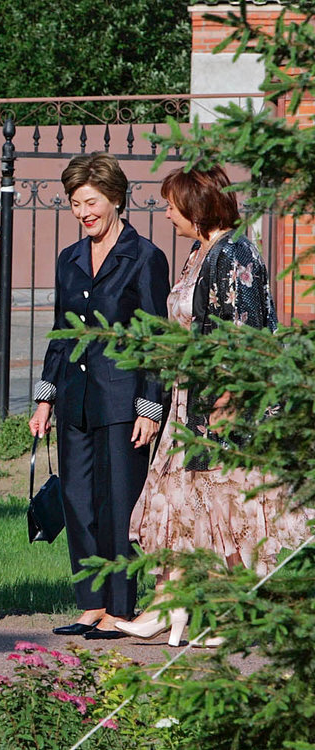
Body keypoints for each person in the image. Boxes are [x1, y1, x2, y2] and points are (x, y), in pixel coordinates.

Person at [115, 166, 315, 646]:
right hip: (188, 400)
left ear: (197, 207)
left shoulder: (235, 252)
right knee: (175, 502)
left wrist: (230, 400)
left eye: (172, 206)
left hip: (222, 403)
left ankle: (234, 614)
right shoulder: (199, 252)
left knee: (226, 509)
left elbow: (246, 335)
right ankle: (169, 604)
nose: (166, 214)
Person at [28, 152, 170, 640]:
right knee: (78, 502)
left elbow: (156, 339)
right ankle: (91, 604)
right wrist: (45, 399)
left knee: (118, 504)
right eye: (75, 203)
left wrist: (150, 406)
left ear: (115, 198)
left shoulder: (145, 257)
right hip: (76, 399)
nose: (82, 212)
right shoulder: (69, 259)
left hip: (124, 402)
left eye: (90, 202)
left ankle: (120, 608)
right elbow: (61, 332)